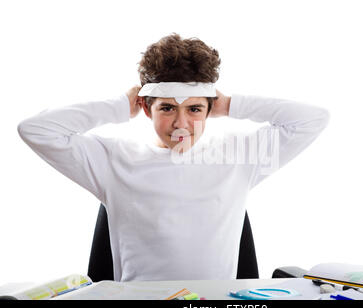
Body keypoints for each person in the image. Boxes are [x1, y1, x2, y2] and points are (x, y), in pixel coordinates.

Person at [17, 33, 330, 281]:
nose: (181, 124)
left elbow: (313, 119)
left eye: (194, 109)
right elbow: (35, 130)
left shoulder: (238, 157)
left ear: (211, 109)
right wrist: (116, 107)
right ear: (145, 107)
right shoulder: (111, 161)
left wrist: (233, 104)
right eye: (167, 108)